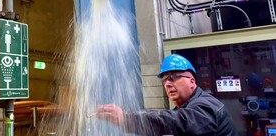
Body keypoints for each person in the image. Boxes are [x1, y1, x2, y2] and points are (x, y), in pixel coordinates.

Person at [96, 54, 238, 136]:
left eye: (174, 77)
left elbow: (175, 121)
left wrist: (126, 118)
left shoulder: (206, 107)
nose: (168, 84)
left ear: (192, 81)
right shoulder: (187, 107)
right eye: (164, 80)